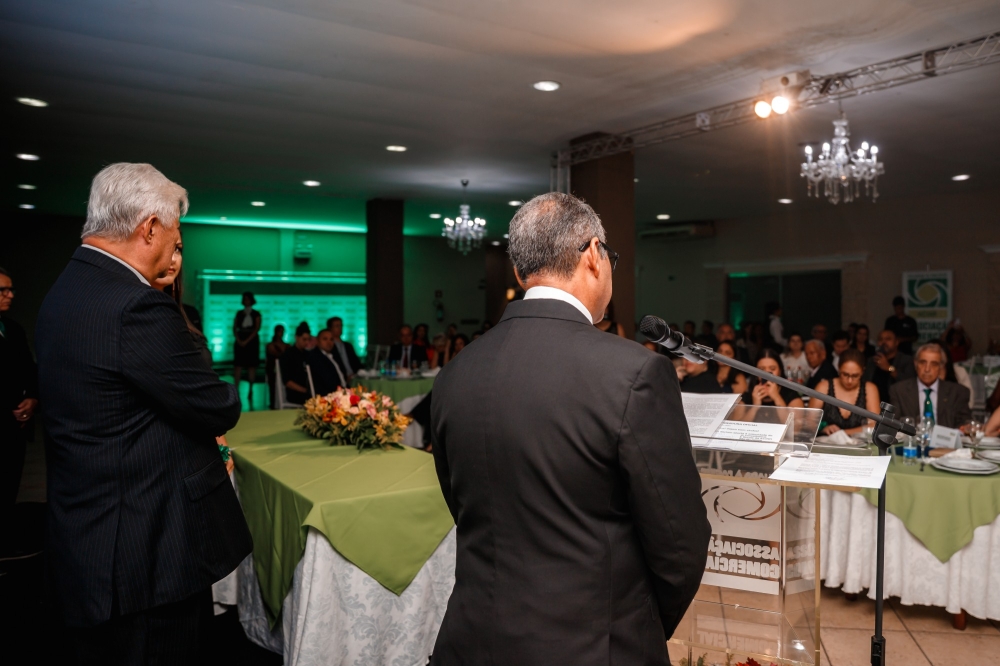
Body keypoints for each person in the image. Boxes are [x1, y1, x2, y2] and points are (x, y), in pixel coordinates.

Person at [430, 192, 709, 666]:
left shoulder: (457, 371)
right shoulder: (634, 372)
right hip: (592, 644)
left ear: (520, 272)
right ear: (594, 255)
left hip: (472, 638)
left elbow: (463, 504)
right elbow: (679, 542)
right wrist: (632, 625)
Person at [35, 163, 251, 663]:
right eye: (174, 237)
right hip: (145, 552)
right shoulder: (135, 306)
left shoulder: (65, 290)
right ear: (150, 227)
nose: (174, 251)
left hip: (89, 537)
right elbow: (216, 405)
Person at [153, 237, 233, 473]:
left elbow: (201, 381)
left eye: (178, 250)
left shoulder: (185, 312)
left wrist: (219, 437)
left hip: (202, 430)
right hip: (168, 441)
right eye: (165, 248)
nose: (172, 259)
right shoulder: (141, 315)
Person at [0, 267, 38, 542]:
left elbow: (30, 371)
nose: (10, 295)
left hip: (15, 428)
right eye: (3, 290)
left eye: (11, 289)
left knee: (9, 486)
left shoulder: (13, 329)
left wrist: (32, 399)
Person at [890, 343, 971, 428]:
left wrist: (964, 428)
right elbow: (893, 422)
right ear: (915, 363)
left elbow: (964, 423)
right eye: (922, 362)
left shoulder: (957, 392)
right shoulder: (899, 390)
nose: (927, 369)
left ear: (941, 366)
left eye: (934, 364)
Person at [809, 349, 881, 437]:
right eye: (845, 374)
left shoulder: (869, 389)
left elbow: (874, 425)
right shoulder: (823, 387)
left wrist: (841, 433)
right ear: (838, 369)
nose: (849, 380)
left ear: (862, 372)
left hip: (860, 443)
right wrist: (823, 428)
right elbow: (809, 423)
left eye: (855, 376)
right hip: (826, 442)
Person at [864, 329, 915, 404]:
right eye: (880, 339)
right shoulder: (871, 361)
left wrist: (889, 368)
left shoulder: (907, 360)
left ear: (896, 342)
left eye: (888, 339)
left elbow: (910, 383)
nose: (884, 342)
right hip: (872, 404)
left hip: (896, 405)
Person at [233, 291, 262, 403]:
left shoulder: (256, 314)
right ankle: (236, 389)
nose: (246, 301)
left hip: (252, 341)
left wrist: (246, 341)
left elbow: (256, 328)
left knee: (251, 366)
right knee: (238, 365)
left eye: (248, 299)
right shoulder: (239, 313)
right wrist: (239, 339)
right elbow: (234, 327)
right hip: (241, 339)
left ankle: (251, 389)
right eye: (244, 299)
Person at [280, 322, 313, 404]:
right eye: (304, 339)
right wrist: (306, 391)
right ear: (296, 337)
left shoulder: (308, 354)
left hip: (308, 392)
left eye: (308, 339)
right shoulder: (288, 355)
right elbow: (287, 381)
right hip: (296, 394)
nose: (307, 342)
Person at [309, 329, 348, 395]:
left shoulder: (333, 355)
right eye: (325, 339)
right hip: (327, 395)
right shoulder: (315, 357)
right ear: (317, 341)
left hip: (341, 391)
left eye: (331, 339)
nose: (329, 342)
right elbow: (328, 382)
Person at [265, 325, 289, 409]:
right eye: (280, 331)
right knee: (273, 387)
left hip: (283, 369)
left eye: (282, 331)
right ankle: (273, 404)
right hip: (273, 369)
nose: (281, 333)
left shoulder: (286, 345)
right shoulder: (270, 345)